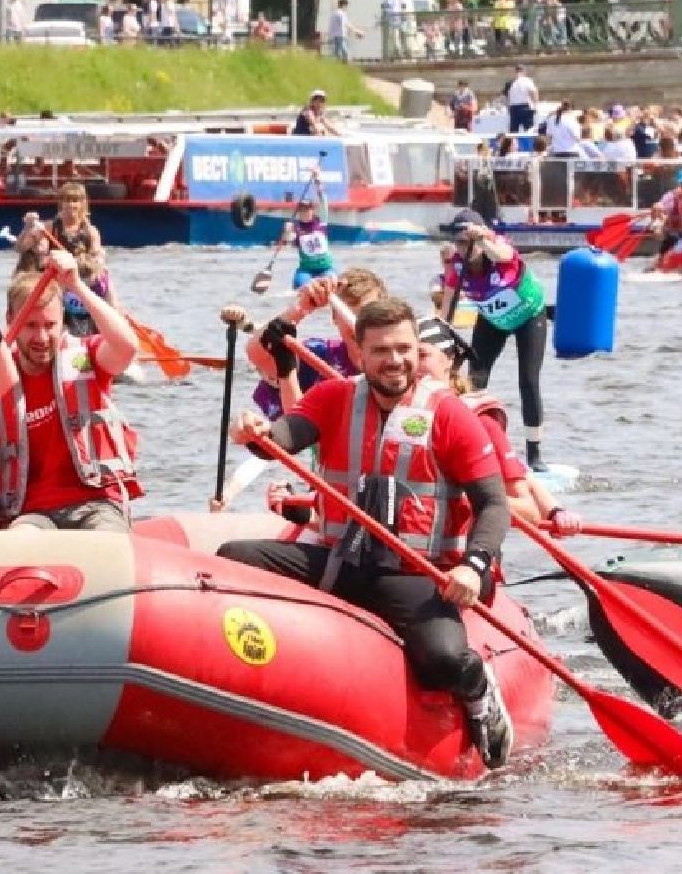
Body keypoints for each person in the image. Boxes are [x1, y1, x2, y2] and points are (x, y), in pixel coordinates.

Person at [221, 297, 517, 769]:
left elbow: (495, 505)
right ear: (360, 353)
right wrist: (255, 431)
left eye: (404, 349)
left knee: (443, 660)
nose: (395, 360)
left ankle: (481, 693)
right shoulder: (334, 398)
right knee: (231, 558)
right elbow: (283, 439)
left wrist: (473, 565)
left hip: (415, 574)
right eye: (381, 350)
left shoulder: (449, 413)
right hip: (342, 560)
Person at [0, 252, 141, 531]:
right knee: (19, 539)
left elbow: (128, 348)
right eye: (30, 326)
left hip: (96, 502)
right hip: (31, 514)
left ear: (62, 320)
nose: (41, 338)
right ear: (10, 321)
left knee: (104, 544)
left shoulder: (87, 355)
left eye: (50, 325)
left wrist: (75, 285)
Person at [416, 316, 576, 537]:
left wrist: (553, 511)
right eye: (407, 355)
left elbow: (527, 509)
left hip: (465, 556)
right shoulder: (397, 414)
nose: (412, 365)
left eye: (422, 355)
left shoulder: (480, 420)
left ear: (450, 359)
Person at [439, 221, 550, 472]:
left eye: (468, 242)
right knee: (474, 380)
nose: (464, 248)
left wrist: (484, 237)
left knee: (528, 380)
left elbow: (503, 254)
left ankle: (534, 454)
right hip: (492, 321)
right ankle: (470, 445)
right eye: (459, 243)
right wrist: (440, 336)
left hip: (529, 316)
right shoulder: (457, 266)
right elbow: (446, 309)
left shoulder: (499, 250)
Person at [246, 268, 386, 418]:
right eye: (348, 314)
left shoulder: (401, 361)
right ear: (334, 318)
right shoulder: (318, 355)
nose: (358, 324)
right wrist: (301, 308)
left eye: (367, 313)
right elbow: (258, 354)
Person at [280, 176, 334, 289]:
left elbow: (323, 200)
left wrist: (318, 181)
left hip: (326, 268)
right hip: (306, 270)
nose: (306, 212)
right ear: (299, 212)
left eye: (308, 209)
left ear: (312, 211)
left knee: (332, 282)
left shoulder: (321, 221)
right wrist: (286, 231)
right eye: (303, 210)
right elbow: (288, 240)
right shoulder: (296, 227)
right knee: (301, 285)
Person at [505, 65, 538, 134]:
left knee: (513, 132)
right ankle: (528, 144)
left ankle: (513, 144)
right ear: (524, 71)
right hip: (525, 107)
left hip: (514, 108)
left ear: (515, 72)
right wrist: (535, 106)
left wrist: (509, 110)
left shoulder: (512, 83)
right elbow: (533, 93)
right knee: (529, 130)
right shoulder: (527, 80)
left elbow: (508, 99)